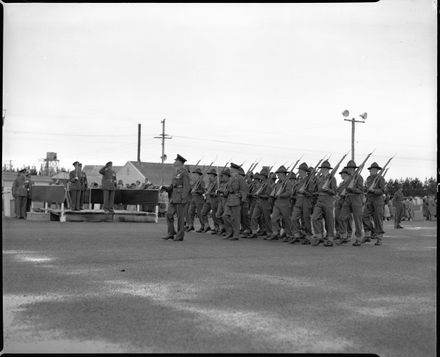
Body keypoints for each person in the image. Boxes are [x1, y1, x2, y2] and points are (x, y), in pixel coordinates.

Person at [160, 154, 191, 241]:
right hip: (173, 197)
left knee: (180, 218)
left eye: (175, 161)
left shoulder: (184, 172)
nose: (174, 162)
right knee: (169, 214)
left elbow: (186, 187)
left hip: (180, 198)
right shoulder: (176, 172)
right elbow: (173, 186)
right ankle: (171, 233)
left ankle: (180, 235)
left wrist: (184, 198)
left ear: (179, 162)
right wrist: (166, 188)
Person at [311, 160, 337, 247]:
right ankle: (319, 236)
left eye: (324, 168)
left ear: (327, 169)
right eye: (322, 168)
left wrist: (327, 189)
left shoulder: (332, 178)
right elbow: (317, 190)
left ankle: (330, 238)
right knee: (315, 217)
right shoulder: (320, 178)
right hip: (319, 200)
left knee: (329, 220)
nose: (322, 170)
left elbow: (334, 191)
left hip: (328, 200)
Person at [339, 160, 364, 246]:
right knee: (342, 217)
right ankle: (344, 236)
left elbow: (361, 190)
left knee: (357, 220)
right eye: (348, 168)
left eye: (350, 168)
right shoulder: (348, 179)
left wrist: (352, 189)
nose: (349, 170)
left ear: (353, 169)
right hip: (348, 198)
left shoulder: (359, 177)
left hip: (356, 199)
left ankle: (358, 238)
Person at [290, 162, 316, 244]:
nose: (300, 172)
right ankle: (297, 234)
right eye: (299, 170)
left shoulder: (310, 181)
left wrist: (304, 192)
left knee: (306, 220)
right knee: (293, 218)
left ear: (305, 171)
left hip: (306, 201)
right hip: (298, 201)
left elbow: (311, 194)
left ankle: (308, 236)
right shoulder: (299, 181)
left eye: (301, 170)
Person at [362, 162, 386, 246]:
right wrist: (366, 189)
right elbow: (367, 188)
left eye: (373, 170)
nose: (371, 171)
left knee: (378, 219)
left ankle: (379, 238)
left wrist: (374, 191)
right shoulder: (368, 178)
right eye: (371, 170)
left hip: (378, 200)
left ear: (377, 170)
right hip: (369, 200)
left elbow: (382, 190)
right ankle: (368, 234)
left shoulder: (381, 178)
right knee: (364, 216)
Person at [222, 162, 247, 240]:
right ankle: (229, 232)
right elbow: (228, 189)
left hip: (236, 200)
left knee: (236, 218)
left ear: (235, 170)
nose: (230, 169)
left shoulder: (240, 178)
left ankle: (236, 235)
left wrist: (242, 198)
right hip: (229, 199)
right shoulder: (230, 178)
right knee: (225, 216)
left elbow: (244, 189)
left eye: (231, 168)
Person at [269, 165, 293, 241]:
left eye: (279, 174)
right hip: (277, 203)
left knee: (286, 220)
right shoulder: (278, 183)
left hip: (285, 204)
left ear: (283, 174)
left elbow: (289, 193)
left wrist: (281, 195)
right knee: (273, 218)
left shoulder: (287, 182)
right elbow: (274, 192)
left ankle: (288, 234)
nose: (277, 175)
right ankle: (275, 232)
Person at [249, 167, 273, 239]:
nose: (260, 176)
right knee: (254, 217)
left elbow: (268, 195)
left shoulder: (268, 185)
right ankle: (254, 232)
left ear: (264, 176)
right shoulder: (261, 184)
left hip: (265, 203)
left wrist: (259, 195)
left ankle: (269, 233)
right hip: (258, 202)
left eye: (261, 175)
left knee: (266, 219)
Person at [334, 168, 353, 245]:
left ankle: (348, 234)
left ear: (346, 174)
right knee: (338, 217)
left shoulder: (350, 183)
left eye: (342, 174)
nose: (341, 175)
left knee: (347, 219)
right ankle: (339, 233)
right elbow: (337, 191)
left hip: (347, 201)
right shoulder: (342, 183)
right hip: (340, 201)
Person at [200, 167, 219, 233]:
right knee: (203, 213)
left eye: (211, 175)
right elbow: (207, 190)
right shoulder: (209, 183)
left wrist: (210, 193)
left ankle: (217, 228)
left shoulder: (216, 183)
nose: (209, 177)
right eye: (209, 175)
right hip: (208, 200)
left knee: (214, 215)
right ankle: (206, 225)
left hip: (214, 200)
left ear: (214, 176)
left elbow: (217, 193)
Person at [213, 168, 231, 236]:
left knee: (225, 216)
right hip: (221, 201)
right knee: (217, 215)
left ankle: (228, 230)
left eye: (223, 176)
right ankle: (222, 227)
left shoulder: (229, 183)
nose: (222, 177)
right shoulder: (222, 184)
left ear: (227, 176)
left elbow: (227, 193)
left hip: (227, 201)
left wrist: (221, 191)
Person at [188, 167, 206, 232]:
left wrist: (197, 191)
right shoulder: (195, 182)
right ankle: (191, 225)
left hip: (199, 198)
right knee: (190, 211)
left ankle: (203, 226)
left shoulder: (201, 181)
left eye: (195, 173)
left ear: (198, 174)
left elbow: (203, 190)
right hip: (193, 197)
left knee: (199, 213)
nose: (194, 175)